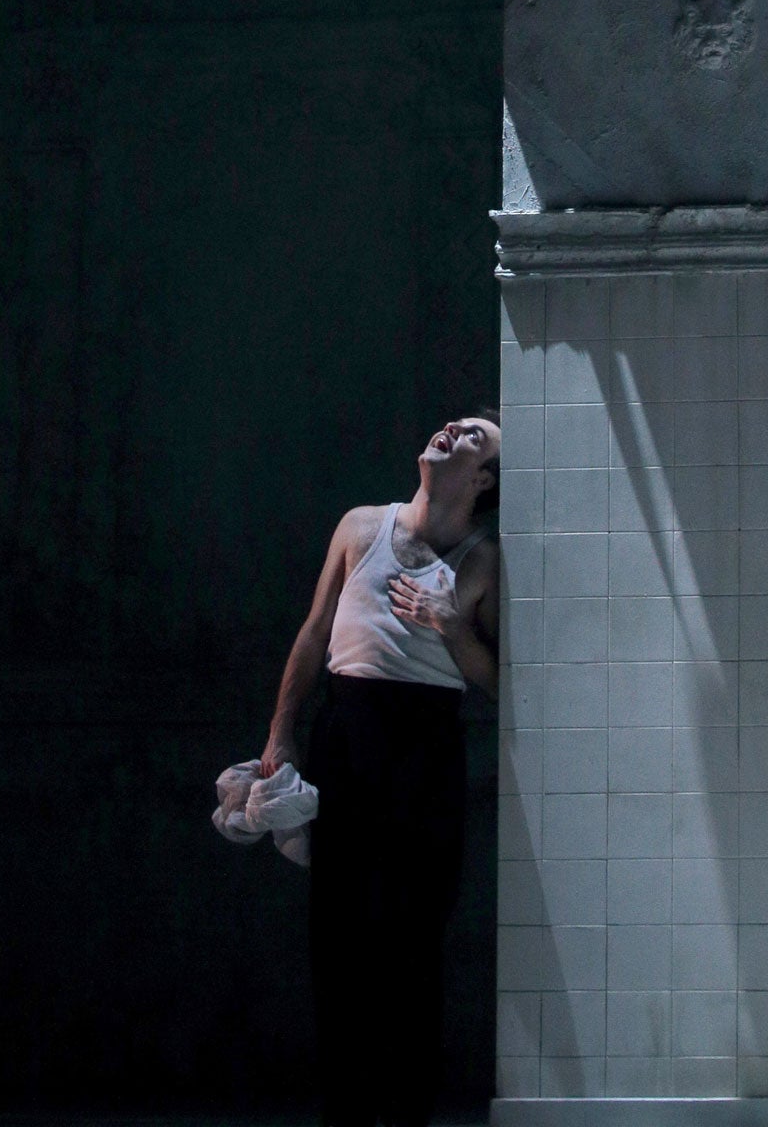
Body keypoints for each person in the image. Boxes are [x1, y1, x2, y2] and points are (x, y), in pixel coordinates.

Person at [260, 412, 502, 1127]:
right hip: (347, 736)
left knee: (411, 943)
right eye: (456, 423)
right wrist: (282, 732)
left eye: (476, 438)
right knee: (339, 942)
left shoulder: (483, 560)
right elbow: (313, 633)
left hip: (424, 750)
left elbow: (501, 682)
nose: (454, 428)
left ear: (482, 478)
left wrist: (452, 625)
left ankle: (405, 1118)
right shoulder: (361, 527)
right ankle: (347, 1114)